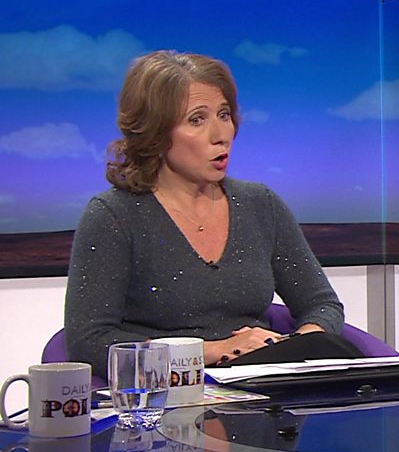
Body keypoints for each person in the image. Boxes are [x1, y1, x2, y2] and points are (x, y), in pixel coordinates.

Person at [65, 50, 360, 381]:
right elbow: (89, 341)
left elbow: (322, 304)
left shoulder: (260, 204)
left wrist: (294, 346)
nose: (221, 135)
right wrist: (214, 350)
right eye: (197, 120)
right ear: (155, 133)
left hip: (264, 384)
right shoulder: (114, 216)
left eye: (224, 114)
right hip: (170, 392)